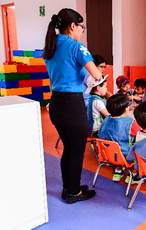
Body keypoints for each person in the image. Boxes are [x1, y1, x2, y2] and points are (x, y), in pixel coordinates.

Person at [43, 8, 99, 204]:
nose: (82, 30)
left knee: (69, 148)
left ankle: (69, 187)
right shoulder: (77, 47)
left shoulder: (51, 45)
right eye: (81, 26)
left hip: (56, 103)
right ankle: (73, 193)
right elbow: (97, 74)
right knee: (76, 150)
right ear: (72, 26)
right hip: (72, 104)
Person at [98, 94, 141, 181]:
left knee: (115, 143)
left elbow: (100, 134)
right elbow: (141, 133)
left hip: (108, 155)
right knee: (141, 146)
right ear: (126, 109)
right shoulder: (130, 122)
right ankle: (134, 174)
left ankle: (117, 171)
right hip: (125, 156)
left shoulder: (107, 119)